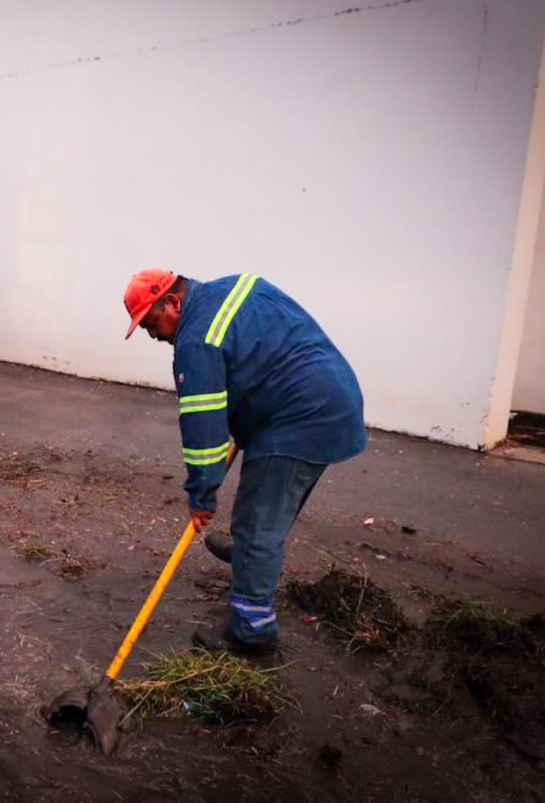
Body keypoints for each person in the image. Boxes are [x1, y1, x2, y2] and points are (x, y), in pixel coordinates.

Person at [123, 269, 365, 656]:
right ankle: (251, 558)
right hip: (331, 396)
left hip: (300, 419)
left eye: (153, 323)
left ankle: (252, 630)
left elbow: (203, 429)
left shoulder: (196, 340)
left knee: (258, 526)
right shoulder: (236, 285)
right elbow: (263, 345)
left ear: (173, 302)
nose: (155, 335)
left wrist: (202, 494)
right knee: (267, 512)